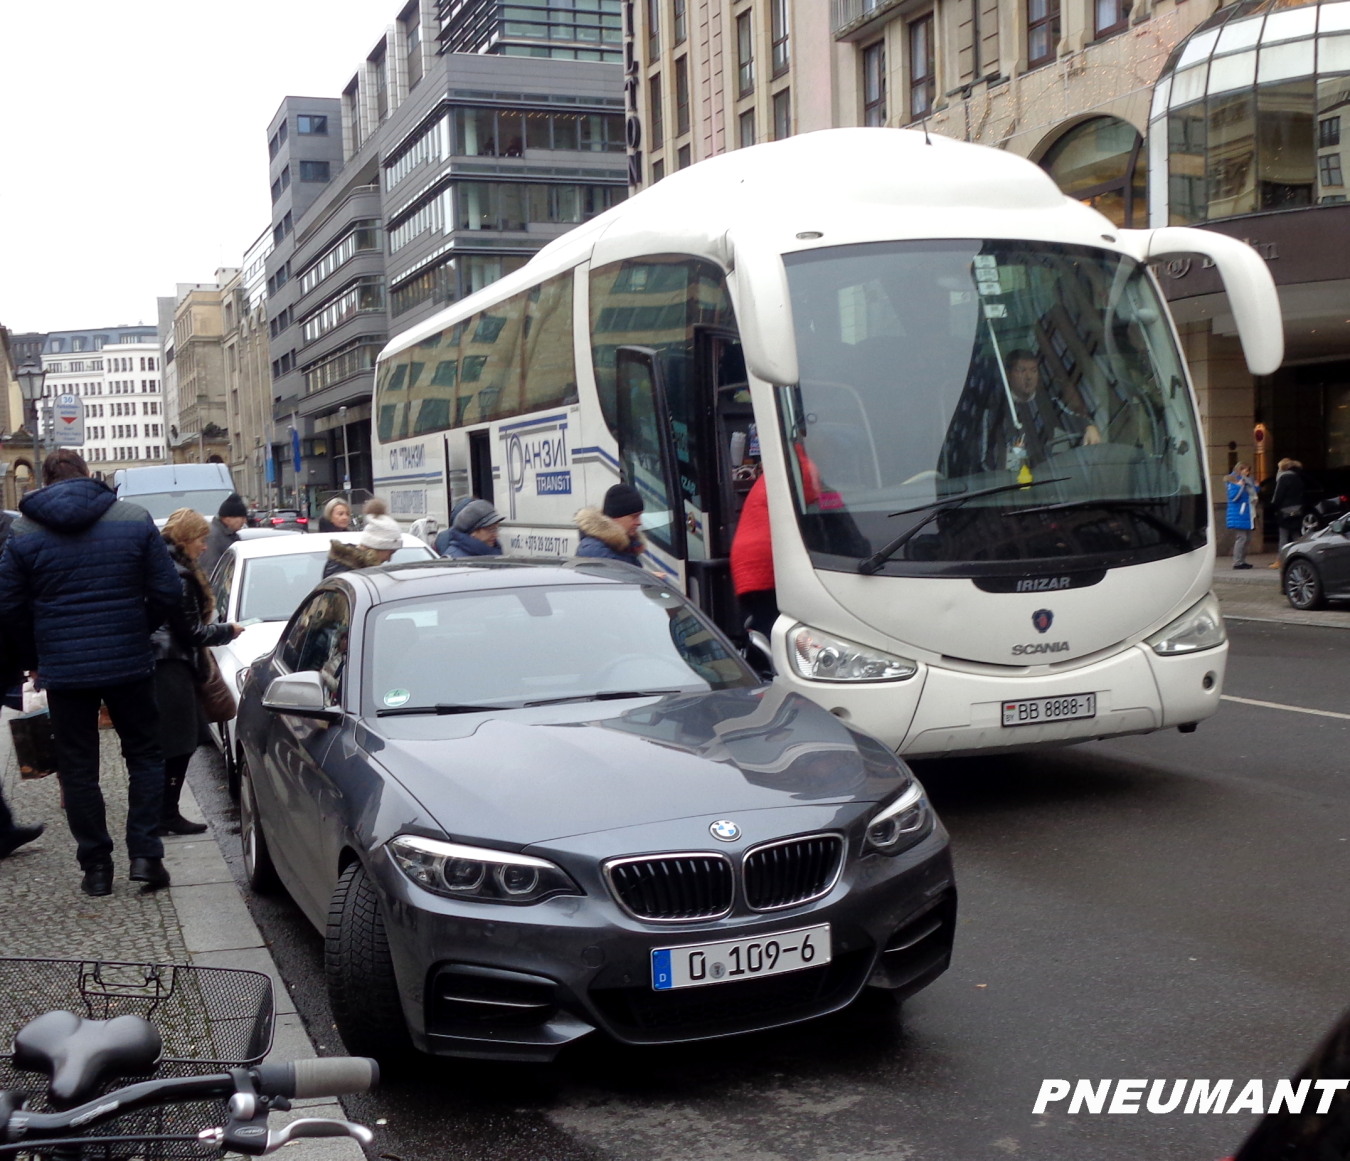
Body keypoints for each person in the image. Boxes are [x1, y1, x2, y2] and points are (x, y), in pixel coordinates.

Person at [0, 449, 181, 896]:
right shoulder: (134, 518)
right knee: (143, 756)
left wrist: (36, 656)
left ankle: (96, 868)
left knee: (78, 768)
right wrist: (138, 629)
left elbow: (8, 608)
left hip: (63, 670)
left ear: (44, 480)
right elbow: (167, 591)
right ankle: (145, 855)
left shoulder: (23, 532)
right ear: (87, 475)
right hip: (129, 663)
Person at [152, 508, 243, 836]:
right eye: (201, 540)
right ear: (186, 539)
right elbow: (191, 631)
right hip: (171, 665)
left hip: (165, 663)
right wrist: (227, 631)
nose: (205, 546)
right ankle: (165, 813)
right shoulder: (179, 574)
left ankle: (163, 811)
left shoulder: (163, 565)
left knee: (177, 742)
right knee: (179, 743)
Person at [1000, 349, 1101, 470]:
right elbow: (997, 464)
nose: (1029, 377)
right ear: (1008, 375)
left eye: (1033, 370)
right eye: (1022, 371)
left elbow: (1071, 416)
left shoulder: (1051, 400)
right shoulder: (999, 412)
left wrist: (1089, 427)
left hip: (1063, 472)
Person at [575, 484, 646, 565]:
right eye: (634, 517)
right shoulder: (595, 551)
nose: (639, 522)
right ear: (616, 517)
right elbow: (619, 576)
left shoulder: (625, 545)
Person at [324, 511, 403, 577]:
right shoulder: (345, 574)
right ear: (377, 547)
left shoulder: (353, 568)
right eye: (390, 553)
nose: (389, 559)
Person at [199, 493, 248, 577]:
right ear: (228, 519)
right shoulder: (213, 537)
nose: (244, 521)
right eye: (242, 518)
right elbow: (209, 569)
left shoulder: (230, 535)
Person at [439, 500, 505, 558]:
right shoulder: (455, 562)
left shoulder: (490, 553)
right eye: (491, 530)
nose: (496, 535)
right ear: (473, 532)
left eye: (496, 529)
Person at [1270, 457, 1307, 558]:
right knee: (1296, 534)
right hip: (1298, 508)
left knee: (1283, 536)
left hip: (1285, 509)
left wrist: (1274, 506)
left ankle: (1281, 559)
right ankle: (1301, 555)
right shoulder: (1298, 477)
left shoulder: (1283, 478)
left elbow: (1279, 495)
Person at [1225, 463, 1260, 570]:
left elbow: (1251, 492)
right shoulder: (1233, 481)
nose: (1247, 473)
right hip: (1239, 512)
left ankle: (1242, 560)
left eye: (1248, 470)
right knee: (1242, 538)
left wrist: (1256, 487)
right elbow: (1233, 497)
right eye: (1245, 470)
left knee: (1247, 538)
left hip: (1247, 512)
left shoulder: (1247, 480)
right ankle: (1237, 561)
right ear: (1240, 470)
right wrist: (1240, 486)